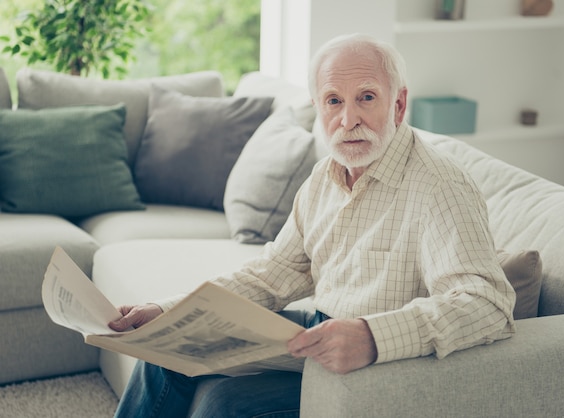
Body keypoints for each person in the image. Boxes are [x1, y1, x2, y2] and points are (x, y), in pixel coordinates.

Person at [110, 33, 516, 417]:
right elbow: (272, 275)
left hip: (384, 365)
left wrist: (372, 337)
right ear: (318, 106)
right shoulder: (325, 175)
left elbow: (487, 304)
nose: (348, 118)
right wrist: (171, 310)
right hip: (319, 331)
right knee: (168, 347)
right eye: (334, 100)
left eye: (367, 97)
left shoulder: (440, 185)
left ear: (398, 104)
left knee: (224, 404)